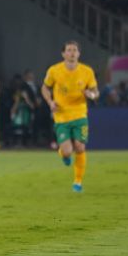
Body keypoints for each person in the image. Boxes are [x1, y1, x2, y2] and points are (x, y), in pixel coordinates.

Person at [40, 40, 98, 192]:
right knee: (67, 151)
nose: (72, 53)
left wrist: (90, 94)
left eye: (75, 50)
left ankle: (78, 182)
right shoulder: (54, 71)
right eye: (69, 50)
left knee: (79, 147)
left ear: (79, 53)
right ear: (63, 53)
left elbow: (95, 91)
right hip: (62, 115)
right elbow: (45, 88)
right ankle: (64, 154)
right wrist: (50, 102)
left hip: (80, 114)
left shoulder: (87, 71)